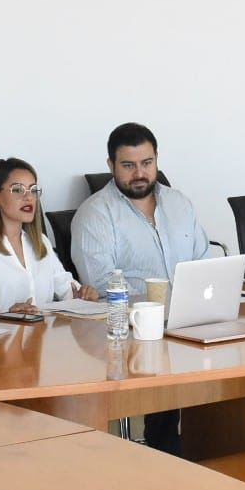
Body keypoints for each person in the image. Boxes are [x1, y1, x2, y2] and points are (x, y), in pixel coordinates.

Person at [72, 123, 210, 454]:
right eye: (128, 165)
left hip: (187, 320)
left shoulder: (179, 203)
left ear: (157, 159)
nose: (139, 174)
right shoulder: (95, 214)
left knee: (230, 353)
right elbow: (102, 284)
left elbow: (203, 262)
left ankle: (214, 448)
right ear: (111, 165)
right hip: (133, 329)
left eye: (147, 163)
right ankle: (165, 451)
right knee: (160, 356)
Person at [0, 157, 97, 322]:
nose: (29, 197)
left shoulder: (40, 242)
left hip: (43, 335)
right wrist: (6, 315)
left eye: (33, 190)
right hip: (2, 337)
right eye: (18, 189)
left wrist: (83, 294)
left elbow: (67, 288)